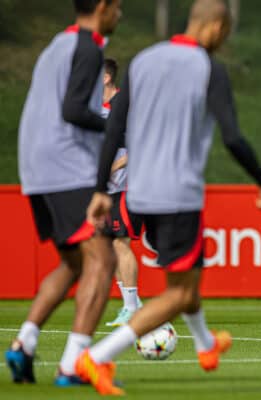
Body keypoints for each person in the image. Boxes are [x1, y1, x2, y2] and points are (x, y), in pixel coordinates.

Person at [76, 0, 261, 395]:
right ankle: (96, 358)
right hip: (178, 194)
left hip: (138, 192)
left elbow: (114, 128)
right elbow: (233, 137)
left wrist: (100, 189)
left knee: (188, 279)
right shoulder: (209, 69)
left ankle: (205, 346)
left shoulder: (144, 60)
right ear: (217, 27)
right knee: (179, 292)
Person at [5, 0, 122, 386]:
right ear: (102, 7)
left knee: (74, 264)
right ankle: (73, 364)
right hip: (66, 166)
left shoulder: (57, 44)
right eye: (118, 6)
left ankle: (25, 342)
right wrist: (113, 128)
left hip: (36, 167)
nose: (119, 14)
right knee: (103, 261)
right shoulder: (89, 47)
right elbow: (74, 109)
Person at [101, 58, 144, 327]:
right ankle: (132, 304)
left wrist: (113, 165)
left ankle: (131, 307)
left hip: (128, 185)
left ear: (106, 78)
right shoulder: (99, 109)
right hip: (109, 189)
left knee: (121, 243)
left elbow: (141, 141)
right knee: (111, 245)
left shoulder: (123, 106)